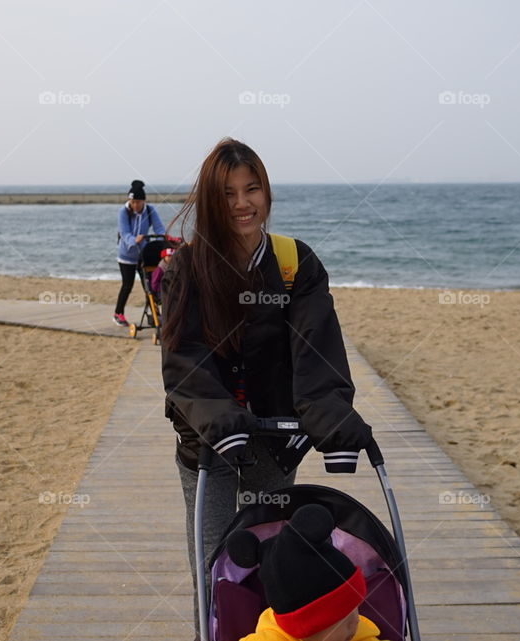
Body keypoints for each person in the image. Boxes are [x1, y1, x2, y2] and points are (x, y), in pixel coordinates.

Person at [159, 138, 372, 623]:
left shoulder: (295, 264)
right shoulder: (187, 268)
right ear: (213, 201)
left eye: (251, 189)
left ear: (267, 192)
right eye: (228, 193)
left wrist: (331, 424)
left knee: (272, 559)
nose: (241, 203)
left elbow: (317, 350)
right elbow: (183, 358)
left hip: (276, 441)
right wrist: (219, 418)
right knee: (214, 562)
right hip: (206, 442)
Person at [226, 504, 385, 641]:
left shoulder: (360, 634)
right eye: (344, 617)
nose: (356, 622)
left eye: (355, 608)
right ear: (312, 627)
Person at [115, 179, 165, 326]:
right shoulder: (123, 212)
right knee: (127, 285)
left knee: (149, 286)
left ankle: (155, 315)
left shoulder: (150, 210)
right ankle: (118, 314)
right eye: (132, 202)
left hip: (143, 255)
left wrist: (164, 238)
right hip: (126, 256)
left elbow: (159, 228)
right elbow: (124, 233)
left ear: (143, 201)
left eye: (138, 202)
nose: (135, 205)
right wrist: (133, 240)